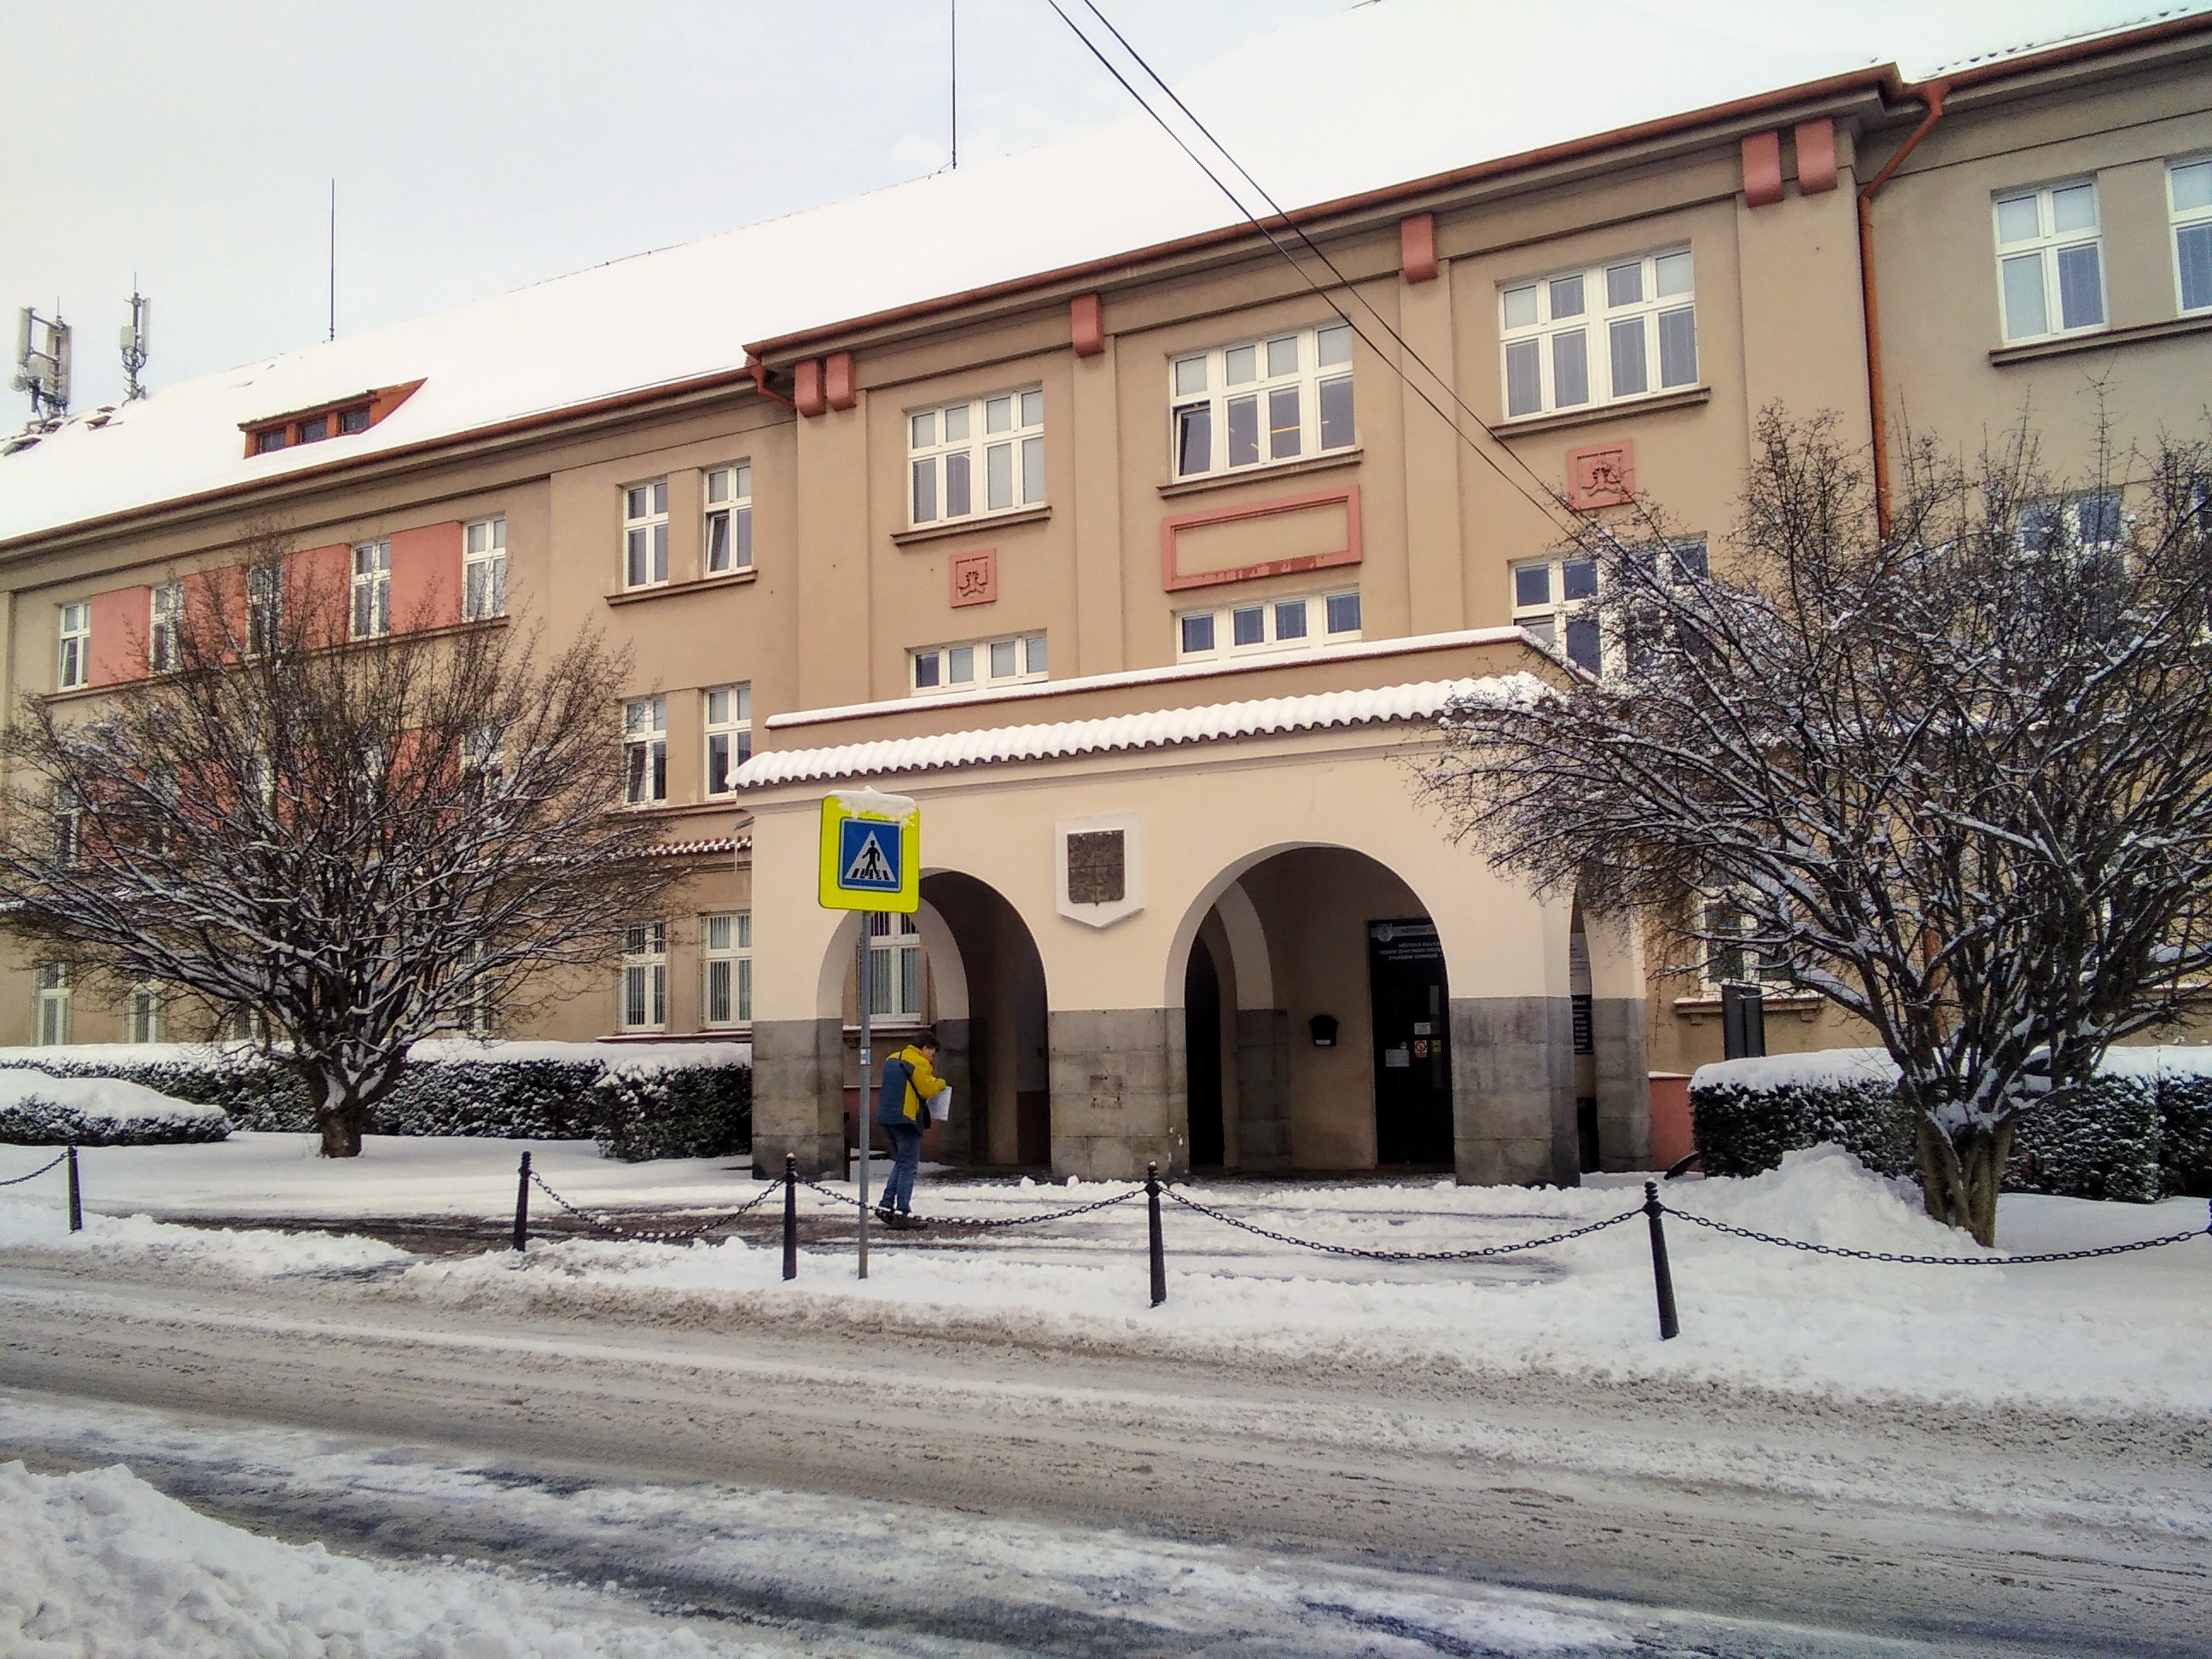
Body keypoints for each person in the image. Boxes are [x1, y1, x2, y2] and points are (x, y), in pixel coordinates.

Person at [875, 1030, 946, 1230]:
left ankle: (886, 1205)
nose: (933, 1058)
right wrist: (940, 1083)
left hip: (886, 1117)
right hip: (906, 1118)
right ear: (925, 1049)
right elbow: (926, 1090)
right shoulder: (919, 1062)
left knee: (902, 1162)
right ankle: (902, 1212)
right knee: (908, 1166)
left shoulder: (892, 1058)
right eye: (933, 1053)